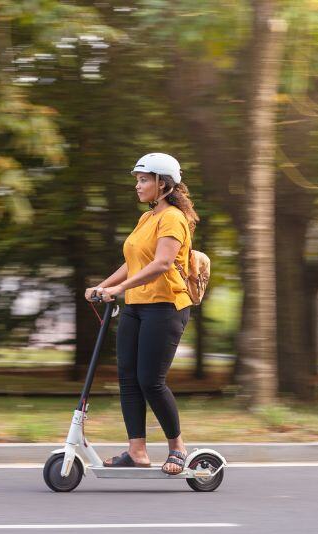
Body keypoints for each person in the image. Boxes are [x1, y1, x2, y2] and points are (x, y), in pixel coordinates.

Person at [84, 153, 200, 475]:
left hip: (166, 307)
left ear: (163, 184)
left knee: (151, 380)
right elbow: (133, 262)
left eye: (144, 179)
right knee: (128, 379)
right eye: (137, 179)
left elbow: (161, 264)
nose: (138, 185)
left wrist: (116, 291)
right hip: (136, 306)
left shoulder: (173, 218)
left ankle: (177, 446)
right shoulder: (147, 219)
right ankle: (137, 451)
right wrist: (102, 286)